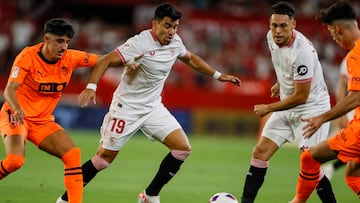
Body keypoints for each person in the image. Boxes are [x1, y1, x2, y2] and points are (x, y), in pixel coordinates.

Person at [56, 3, 241, 203]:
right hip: (126, 108)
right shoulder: (139, 43)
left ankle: (150, 195)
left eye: (175, 27)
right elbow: (105, 60)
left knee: (182, 149)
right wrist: (91, 87)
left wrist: (218, 75)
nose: (171, 31)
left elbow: (190, 58)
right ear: (155, 24)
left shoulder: (175, 42)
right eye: (168, 26)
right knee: (102, 160)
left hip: (152, 107)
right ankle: (65, 200)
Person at [240, 2, 336, 203]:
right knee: (260, 152)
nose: (277, 30)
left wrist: (269, 108)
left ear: (294, 24)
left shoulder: (301, 52)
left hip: (311, 109)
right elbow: (282, 64)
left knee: (310, 164)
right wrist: (280, 82)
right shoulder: (271, 37)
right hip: (288, 105)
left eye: (283, 25)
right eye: (274, 25)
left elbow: (301, 96)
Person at [0, 18, 99, 203]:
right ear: (46, 39)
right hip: (15, 116)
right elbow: (9, 89)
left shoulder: (70, 57)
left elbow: (102, 60)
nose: (64, 46)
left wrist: (130, 61)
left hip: (42, 122)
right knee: (15, 161)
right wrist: (17, 108)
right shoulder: (27, 56)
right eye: (60, 41)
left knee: (72, 154)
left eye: (67, 42)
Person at [290, 2, 360, 202]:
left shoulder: (355, 55)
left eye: (331, 33)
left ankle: (298, 201)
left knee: (310, 157)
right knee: (353, 174)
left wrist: (322, 118)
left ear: (337, 30)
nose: (334, 39)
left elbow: (356, 97)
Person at [322, 57, 350, 180]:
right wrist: (342, 113)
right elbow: (341, 88)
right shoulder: (350, 59)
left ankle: (330, 168)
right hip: (354, 110)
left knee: (355, 148)